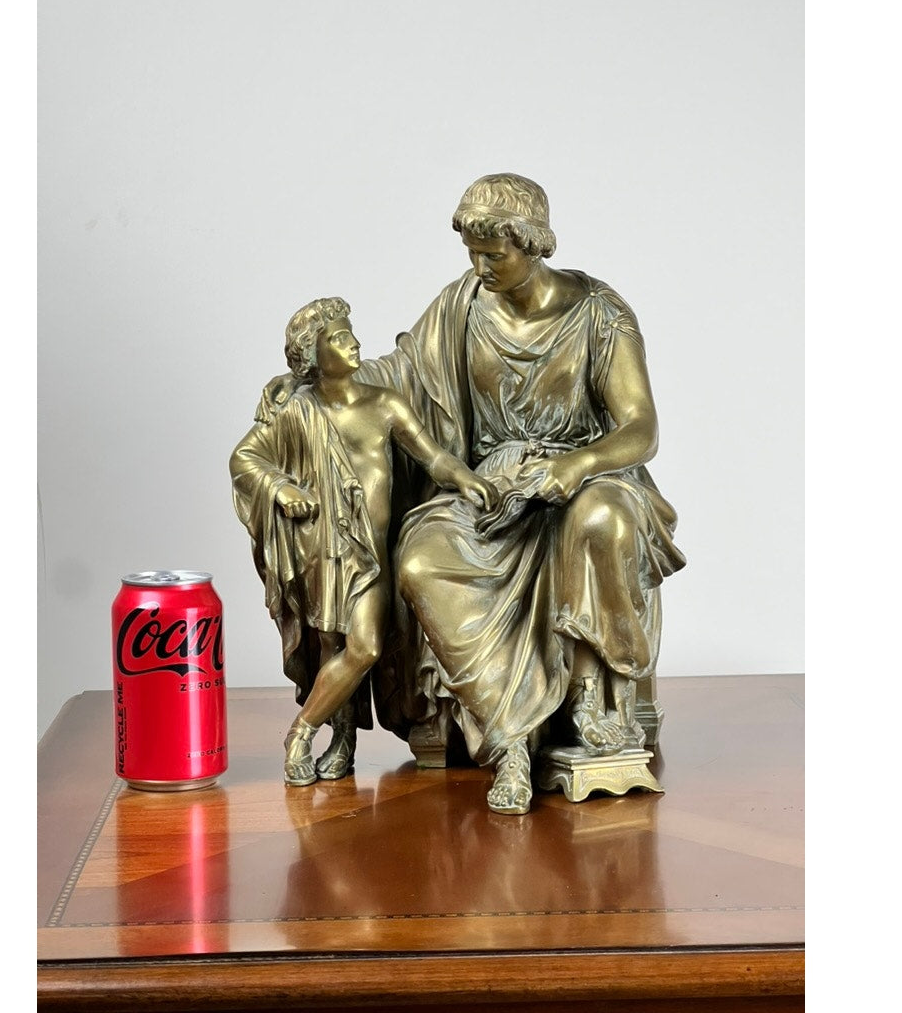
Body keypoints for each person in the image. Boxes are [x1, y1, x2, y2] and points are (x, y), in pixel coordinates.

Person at [258, 174, 685, 816]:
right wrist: (319, 384)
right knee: (424, 559)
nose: (480, 268)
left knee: (602, 519)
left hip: (586, 476)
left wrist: (576, 466)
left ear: (534, 243)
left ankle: (598, 708)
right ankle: (508, 734)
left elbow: (641, 428)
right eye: (472, 255)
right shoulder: (463, 304)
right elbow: (400, 373)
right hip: (491, 487)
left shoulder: (600, 314)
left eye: (495, 255)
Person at [230, 297, 498, 787]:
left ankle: (299, 734)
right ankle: (344, 742)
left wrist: (465, 479)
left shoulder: (384, 403)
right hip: (320, 548)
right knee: (329, 646)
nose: (352, 341)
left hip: (370, 555)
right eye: (337, 337)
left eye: (350, 332)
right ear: (312, 356)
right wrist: (282, 487)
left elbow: (432, 458)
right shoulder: (297, 411)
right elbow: (244, 459)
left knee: (365, 646)